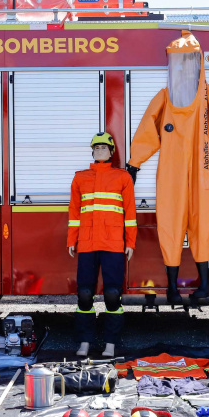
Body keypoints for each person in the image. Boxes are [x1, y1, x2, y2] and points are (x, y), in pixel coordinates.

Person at [126, 31, 209, 305]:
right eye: (179, 62)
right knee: (171, 225)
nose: (184, 68)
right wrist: (134, 163)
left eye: (189, 62)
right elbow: (146, 131)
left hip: (203, 171)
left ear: (198, 63)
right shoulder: (165, 98)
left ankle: (205, 283)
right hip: (173, 175)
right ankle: (173, 287)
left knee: (201, 226)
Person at [67, 132, 137, 358]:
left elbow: (130, 214)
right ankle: (85, 342)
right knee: (85, 294)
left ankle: (110, 344)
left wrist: (131, 242)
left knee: (112, 294)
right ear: (92, 152)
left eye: (103, 148)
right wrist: (72, 239)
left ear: (111, 152)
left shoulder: (123, 177)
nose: (99, 151)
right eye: (96, 148)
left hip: (114, 244)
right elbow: (74, 213)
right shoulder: (80, 178)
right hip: (87, 244)